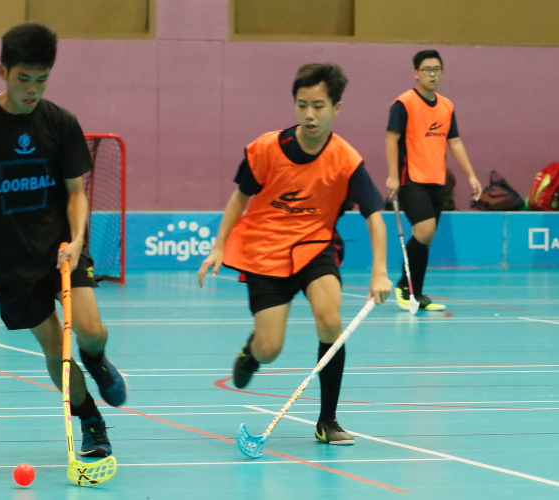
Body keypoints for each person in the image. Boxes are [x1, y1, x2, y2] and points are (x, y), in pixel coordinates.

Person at [0, 22, 126, 458]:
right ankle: (92, 422)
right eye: (23, 78)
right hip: (8, 263)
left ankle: (96, 360)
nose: (32, 89)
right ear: (3, 70)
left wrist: (77, 240)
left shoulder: (60, 122)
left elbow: (77, 191)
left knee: (91, 331)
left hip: (61, 249)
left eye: (41, 80)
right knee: (53, 346)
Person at [198, 64, 390, 445]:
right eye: (302, 105)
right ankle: (253, 351)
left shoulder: (346, 160)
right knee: (270, 349)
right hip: (264, 251)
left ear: (337, 107)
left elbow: (375, 218)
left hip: (314, 247)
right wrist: (219, 246)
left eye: (318, 106)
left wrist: (380, 272)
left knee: (330, 320)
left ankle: (327, 421)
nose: (309, 114)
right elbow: (240, 198)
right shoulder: (267, 149)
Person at [385, 49, 483, 311]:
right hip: (410, 178)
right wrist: (393, 175)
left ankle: (416, 293)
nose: (433, 74)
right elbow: (391, 138)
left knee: (426, 238)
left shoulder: (446, 105)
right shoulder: (403, 103)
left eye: (437, 70)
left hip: (437, 180)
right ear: (416, 73)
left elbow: (455, 142)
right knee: (424, 230)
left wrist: (471, 175)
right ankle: (405, 285)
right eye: (427, 70)